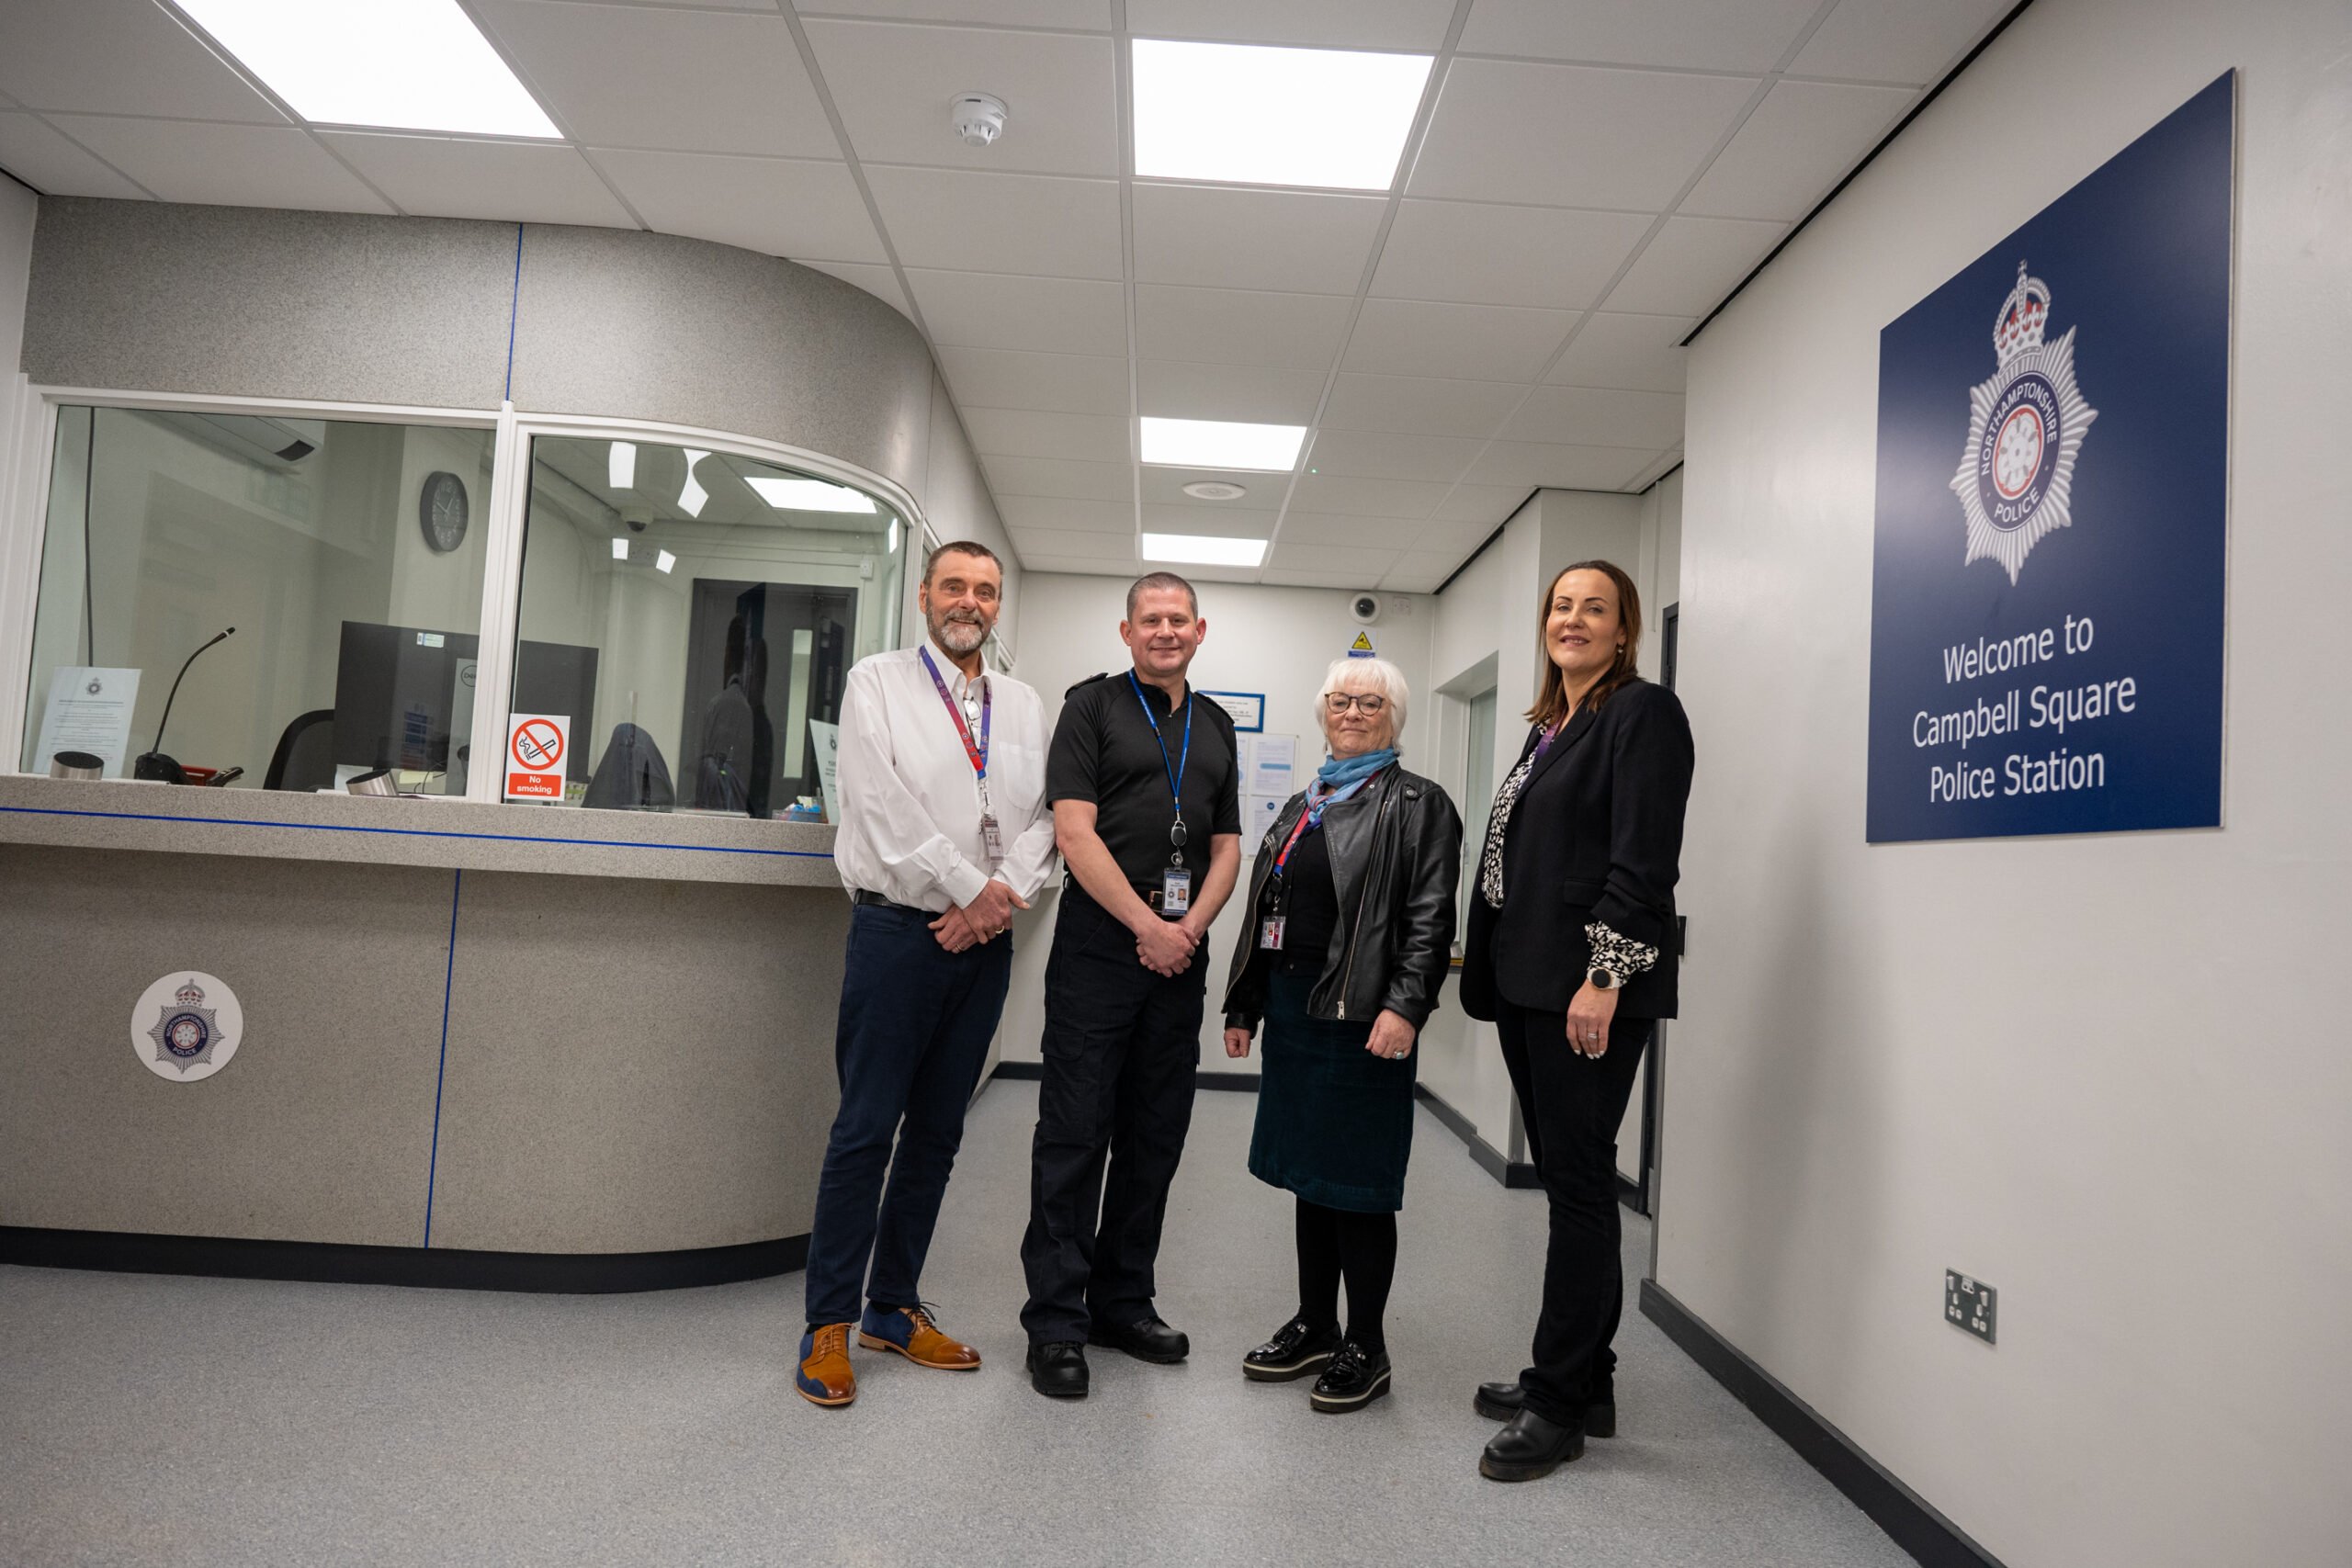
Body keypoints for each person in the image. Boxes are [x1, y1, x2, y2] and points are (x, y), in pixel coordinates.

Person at [796, 541, 1056, 1409]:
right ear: (923, 596)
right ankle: (827, 1322)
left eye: (986, 590)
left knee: (939, 1134)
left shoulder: (1023, 704)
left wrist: (1000, 896)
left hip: (983, 944)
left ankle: (893, 1307)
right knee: (866, 1129)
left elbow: (1050, 818)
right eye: (955, 586)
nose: (970, 602)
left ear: (998, 603)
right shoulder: (876, 681)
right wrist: (970, 890)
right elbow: (878, 805)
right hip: (898, 933)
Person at [1459, 559, 1693, 1480]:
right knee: (1573, 1178)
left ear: (1625, 629)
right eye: (1561, 606)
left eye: (1595, 608)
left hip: (1585, 989)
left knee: (1582, 1191)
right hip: (1528, 983)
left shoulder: (1641, 714)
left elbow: (1643, 860)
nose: (1574, 619)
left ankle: (1556, 1405)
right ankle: (1582, 1377)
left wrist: (1605, 974)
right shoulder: (1553, 724)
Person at [1020, 571, 1243, 1399]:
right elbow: (1074, 832)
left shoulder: (1215, 725)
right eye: (1150, 618)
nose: (1165, 630)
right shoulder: (1091, 709)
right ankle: (1056, 1321)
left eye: (1178, 619)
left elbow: (1226, 846)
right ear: (1126, 631)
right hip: (1100, 951)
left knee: (1155, 1135)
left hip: (1180, 958)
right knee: (1076, 1133)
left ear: (1200, 629)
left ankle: (1123, 1300)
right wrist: (1147, 926)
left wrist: (1187, 930)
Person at [1221, 657, 1461, 1414]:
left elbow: (1429, 916)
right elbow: (1268, 910)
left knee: (1357, 1185)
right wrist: (1245, 1001)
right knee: (1310, 1177)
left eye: (1371, 702)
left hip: (1365, 1017)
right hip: (1296, 1010)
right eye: (1340, 700)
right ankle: (1317, 1323)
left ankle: (1368, 1343)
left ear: (1396, 716)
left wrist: (1407, 1004)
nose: (1353, 712)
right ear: (1324, 709)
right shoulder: (1306, 801)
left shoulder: (1420, 804)